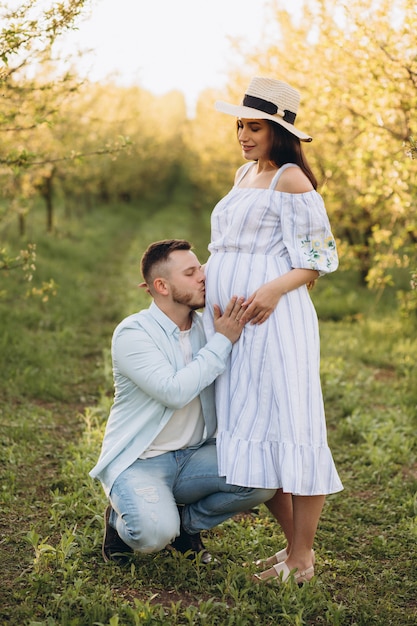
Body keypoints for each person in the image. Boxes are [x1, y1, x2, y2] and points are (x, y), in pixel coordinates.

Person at [202, 77, 343, 584]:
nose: (243, 134)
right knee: (255, 429)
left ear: (278, 131)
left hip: (274, 322)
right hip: (236, 327)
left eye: (254, 126)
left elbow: (319, 260)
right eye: (240, 124)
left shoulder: (291, 180)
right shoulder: (244, 174)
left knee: (293, 427)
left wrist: (271, 290)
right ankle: (292, 552)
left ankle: (303, 557)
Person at [89, 238, 275, 566]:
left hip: (194, 457)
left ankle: (186, 526)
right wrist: (223, 342)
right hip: (140, 460)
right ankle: (119, 525)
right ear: (161, 285)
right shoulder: (134, 333)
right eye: (191, 273)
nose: (203, 276)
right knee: (151, 536)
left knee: (264, 472)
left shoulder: (208, 328)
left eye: (200, 268)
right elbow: (173, 392)